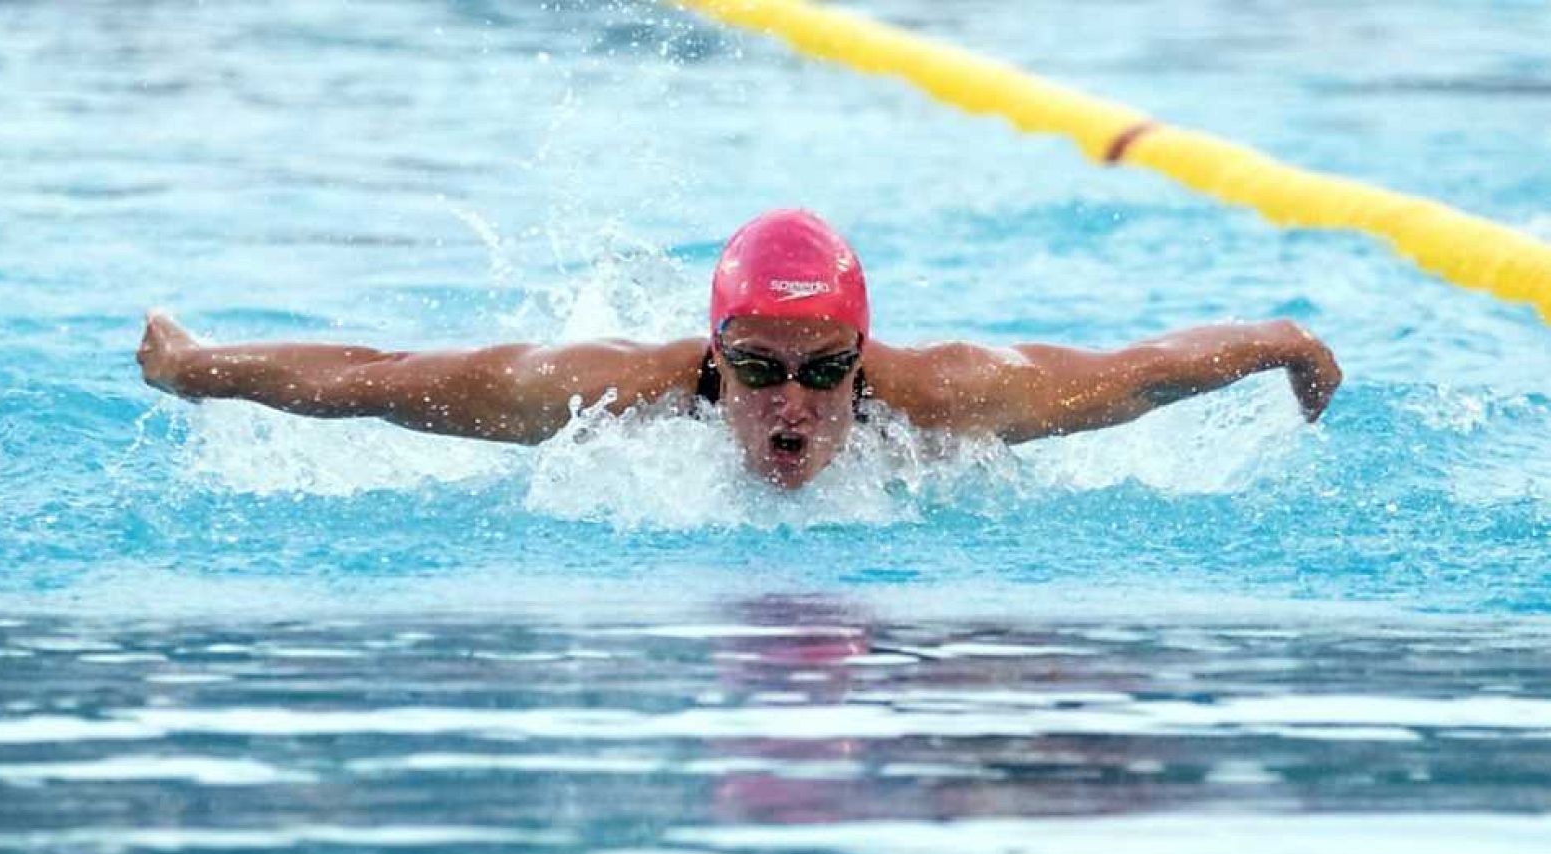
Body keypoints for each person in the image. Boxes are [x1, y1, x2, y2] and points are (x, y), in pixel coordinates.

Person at [138, 209, 1341, 489]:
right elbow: (386, 384)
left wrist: (1279, 342)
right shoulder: (608, 396)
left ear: (862, 358)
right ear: (716, 359)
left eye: (825, 371)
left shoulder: (952, 398)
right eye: (759, 370)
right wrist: (197, 369)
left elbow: (1142, 370)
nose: (793, 404)